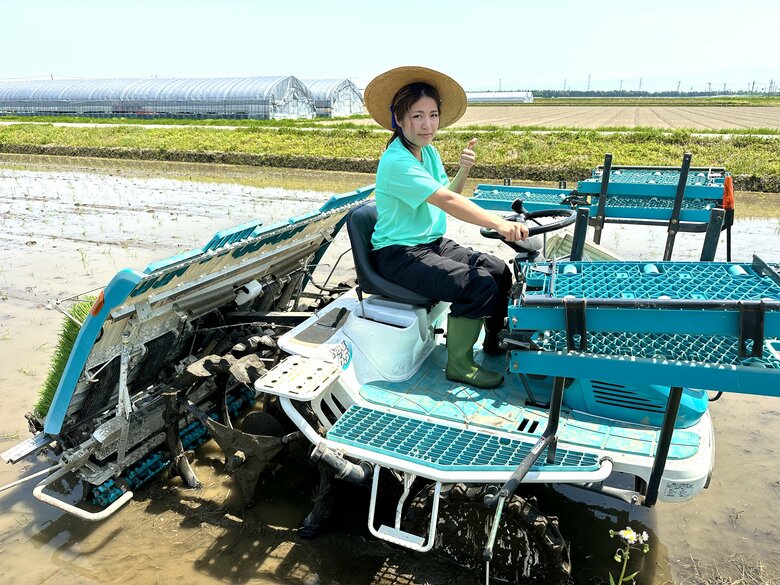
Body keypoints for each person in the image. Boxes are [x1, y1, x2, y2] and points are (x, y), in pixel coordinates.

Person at [363, 66, 529, 389]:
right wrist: (498, 223)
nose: (428, 125)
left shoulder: (428, 152)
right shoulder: (397, 161)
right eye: (417, 116)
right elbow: (447, 203)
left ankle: (495, 339)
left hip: (430, 243)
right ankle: (460, 364)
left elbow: (448, 194)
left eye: (433, 115)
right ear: (399, 119)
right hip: (398, 253)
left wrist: (464, 169)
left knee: (498, 270)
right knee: (477, 285)